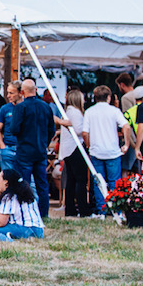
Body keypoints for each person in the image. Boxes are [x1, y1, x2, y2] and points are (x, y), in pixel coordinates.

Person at [11, 79, 55, 217]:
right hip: (40, 150)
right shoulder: (46, 107)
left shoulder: (20, 108)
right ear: (36, 89)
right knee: (42, 184)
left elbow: (14, 129)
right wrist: (44, 143)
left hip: (24, 150)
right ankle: (44, 214)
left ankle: (25, 212)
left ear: (22, 92)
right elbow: (52, 129)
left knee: (24, 184)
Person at [82, 85, 128, 218]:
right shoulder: (114, 111)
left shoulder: (90, 112)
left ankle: (101, 211)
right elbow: (126, 126)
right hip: (113, 151)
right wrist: (126, 144)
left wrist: (90, 145)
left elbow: (85, 133)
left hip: (96, 151)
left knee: (98, 182)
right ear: (109, 97)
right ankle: (116, 211)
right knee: (114, 181)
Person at [0, 168, 44, 240]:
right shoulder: (28, 195)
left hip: (23, 229)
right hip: (39, 231)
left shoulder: (9, 197)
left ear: (6, 183)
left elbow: (1, 222)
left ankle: (9, 240)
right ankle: (15, 236)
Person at [58, 89, 91, 217]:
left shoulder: (68, 112)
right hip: (75, 148)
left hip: (67, 149)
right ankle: (83, 208)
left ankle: (70, 209)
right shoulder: (76, 113)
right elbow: (79, 130)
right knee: (80, 180)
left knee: (71, 180)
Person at [0, 81, 21, 170]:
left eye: (11, 93)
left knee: (26, 179)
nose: (8, 96)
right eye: (8, 92)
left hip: (23, 149)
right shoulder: (5, 108)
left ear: (20, 93)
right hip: (8, 148)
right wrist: (2, 147)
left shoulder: (26, 107)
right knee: (7, 179)